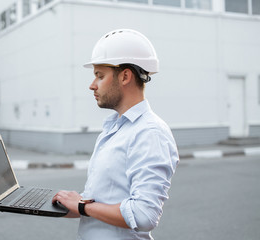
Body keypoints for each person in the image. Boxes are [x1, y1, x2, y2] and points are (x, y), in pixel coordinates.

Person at [52, 29, 179, 240]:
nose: (92, 85)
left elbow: (143, 215)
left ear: (125, 76)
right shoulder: (115, 128)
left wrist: (83, 206)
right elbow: (103, 203)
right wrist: (56, 204)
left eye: (100, 76)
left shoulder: (150, 132)